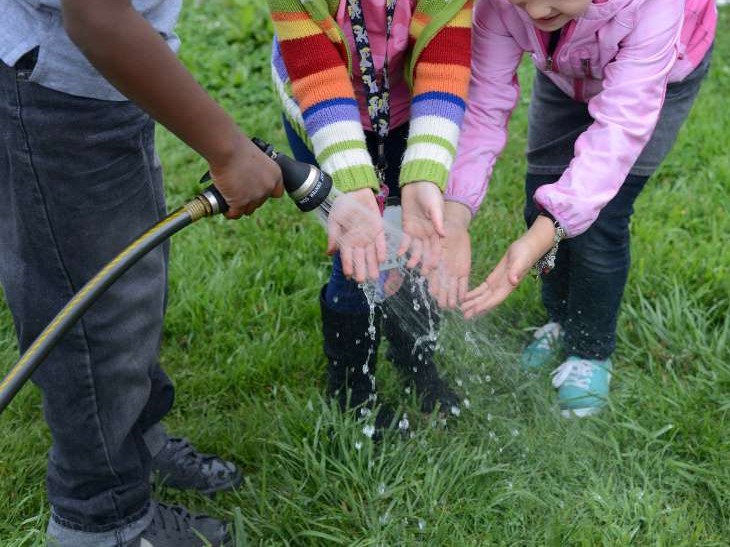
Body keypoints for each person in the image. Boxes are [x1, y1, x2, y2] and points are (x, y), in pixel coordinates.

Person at [0, 1, 283, 545]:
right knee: (92, 329)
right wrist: (228, 150)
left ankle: (136, 444)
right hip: (58, 87)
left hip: (104, 79)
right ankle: (105, 522)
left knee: (129, 294)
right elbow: (96, 15)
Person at [430, 0, 716, 417]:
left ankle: (590, 351)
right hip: (565, 75)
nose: (536, 10)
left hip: (658, 76)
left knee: (600, 220)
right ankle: (561, 318)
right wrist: (455, 212)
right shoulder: (501, 6)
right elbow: (483, 107)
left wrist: (552, 227)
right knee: (541, 202)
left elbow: (619, 128)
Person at [267, 0, 472, 429]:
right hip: (323, 106)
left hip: (407, 103)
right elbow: (319, 75)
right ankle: (352, 393)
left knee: (415, 234)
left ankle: (415, 360)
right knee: (359, 249)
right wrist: (354, 188)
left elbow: (443, 60)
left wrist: (423, 174)